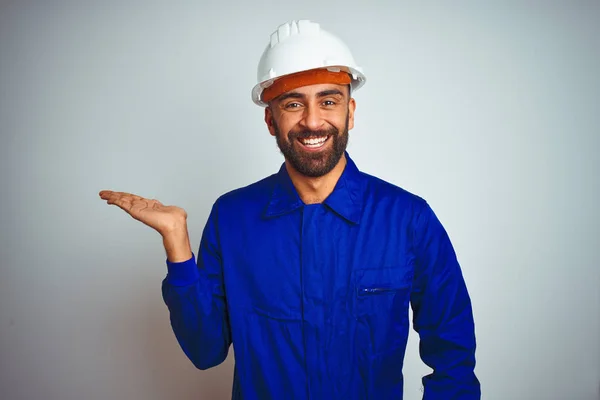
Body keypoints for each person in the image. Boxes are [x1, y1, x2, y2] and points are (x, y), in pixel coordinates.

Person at [99, 19, 480, 400]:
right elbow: (205, 350)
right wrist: (177, 246)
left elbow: (454, 359)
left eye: (328, 101)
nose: (313, 121)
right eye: (293, 103)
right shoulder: (232, 218)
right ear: (270, 120)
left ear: (350, 112)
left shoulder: (407, 219)